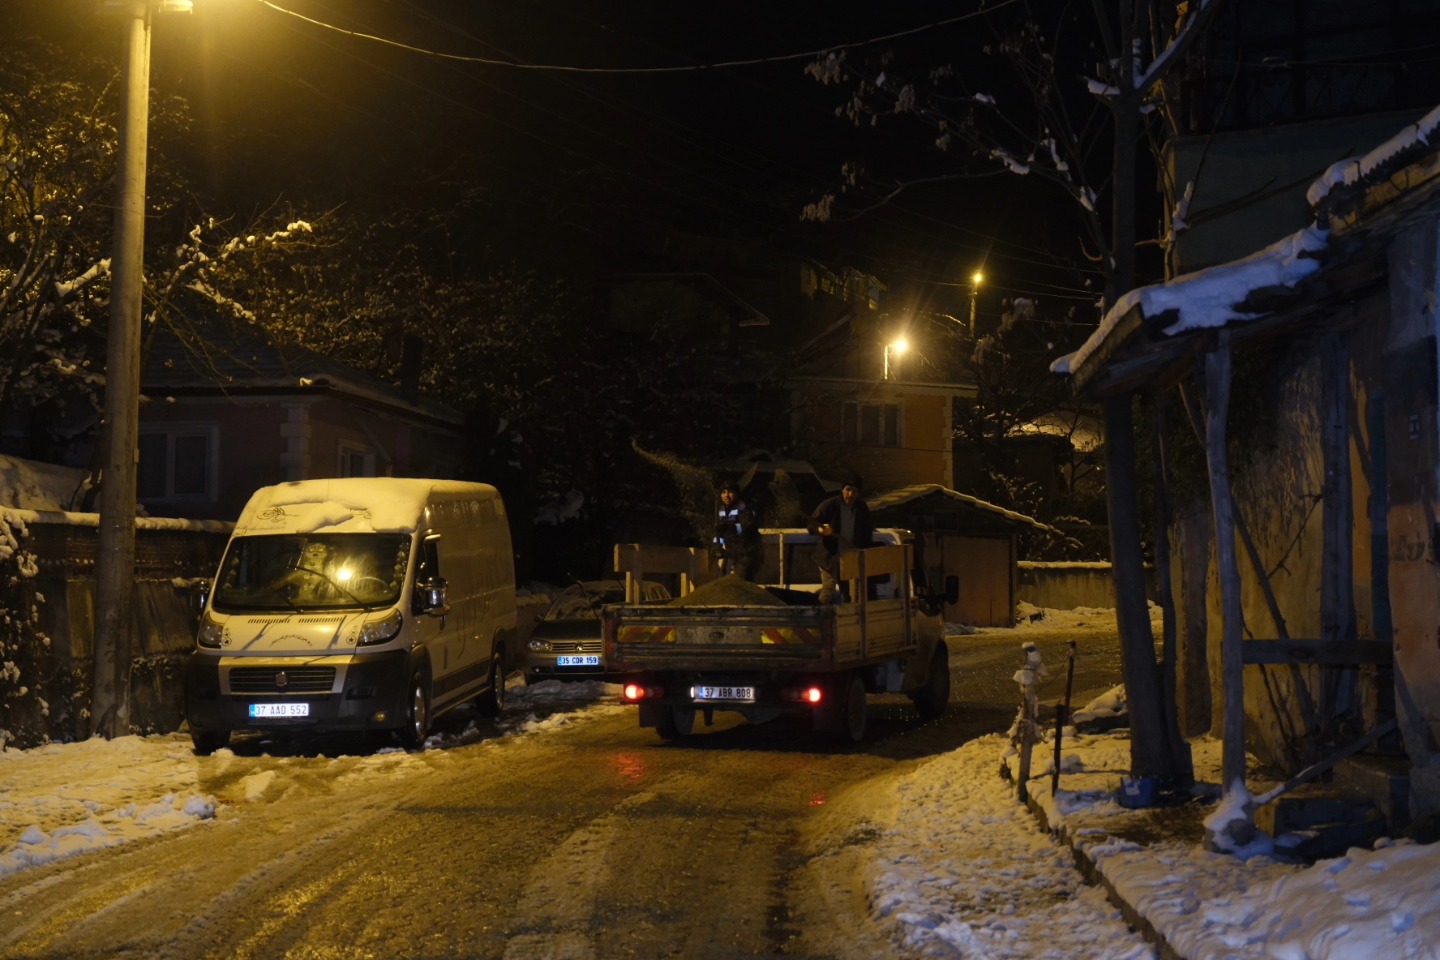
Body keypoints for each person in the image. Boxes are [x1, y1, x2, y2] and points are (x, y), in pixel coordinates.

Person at [807, 475, 874, 603]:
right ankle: (820, 617)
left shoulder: (862, 508)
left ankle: (848, 618)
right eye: (848, 489)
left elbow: (867, 532)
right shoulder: (830, 505)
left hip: (850, 557)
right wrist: (820, 529)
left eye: (854, 491)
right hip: (829, 555)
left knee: (851, 592)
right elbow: (812, 523)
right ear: (842, 489)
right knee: (828, 588)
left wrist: (864, 551)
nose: (850, 494)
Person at [713, 479, 762, 580]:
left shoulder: (744, 507)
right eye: (723, 492)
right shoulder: (721, 510)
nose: (726, 495)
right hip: (731, 552)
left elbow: (746, 526)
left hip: (747, 553)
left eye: (730, 492)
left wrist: (730, 527)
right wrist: (717, 546)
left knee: (740, 580)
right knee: (723, 580)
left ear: (736, 493)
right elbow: (720, 533)